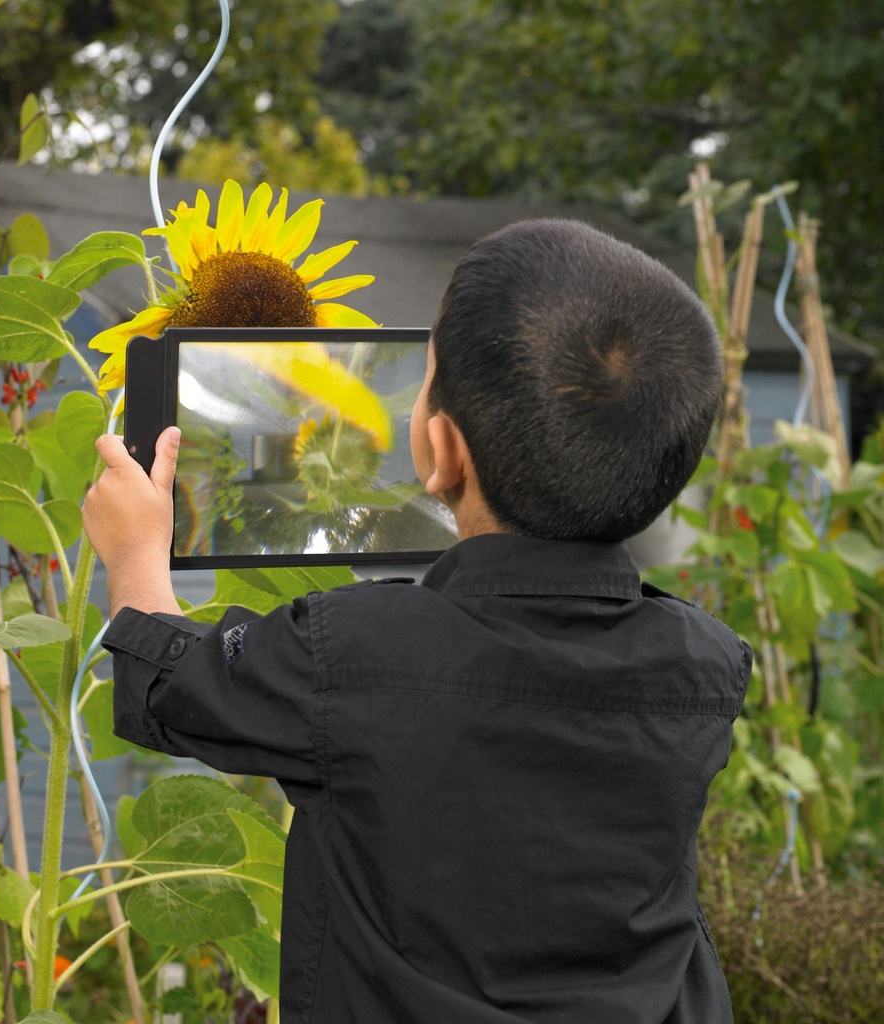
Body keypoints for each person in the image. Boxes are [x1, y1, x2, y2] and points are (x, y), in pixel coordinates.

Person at [83, 218, 753, 1024]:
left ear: (439, 451)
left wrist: (136, 550)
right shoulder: (707, 667)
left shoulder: (347, 656)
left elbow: (166, 681)